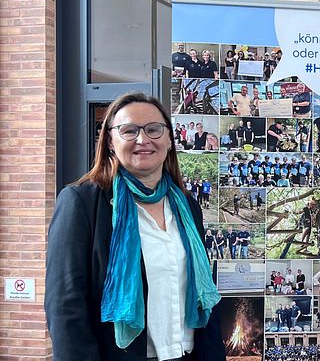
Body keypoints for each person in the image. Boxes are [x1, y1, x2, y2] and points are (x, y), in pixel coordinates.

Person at [45, 93, 224, 360]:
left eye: (154, 129)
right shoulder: (81, 203)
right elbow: (65, 307)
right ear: (109, 142)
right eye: (129, 131)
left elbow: (204, 296)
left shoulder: (186, 206)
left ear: (169, 140)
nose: (143, 140)